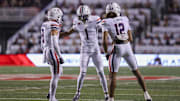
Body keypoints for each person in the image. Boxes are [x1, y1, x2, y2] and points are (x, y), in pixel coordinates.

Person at [102, 2, 152, 101]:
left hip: (117, 47)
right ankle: (147, 95)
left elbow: (104, 40)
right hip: (127, 47)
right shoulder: (125, 19)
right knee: (137, 72)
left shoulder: (106, 22)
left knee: (112, 75)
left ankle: (111, 99)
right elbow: (131, 38)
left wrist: (106, 53)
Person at [60, 5, 109, 101]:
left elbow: (104, 27)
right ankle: (77, 93)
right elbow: (69, 31)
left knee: (101, 72)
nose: (82, 18)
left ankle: (107, 94)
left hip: (95, 50)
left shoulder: (95, 19)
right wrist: (58, 35)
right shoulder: (76, 21)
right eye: (80, 16)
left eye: (84, 16)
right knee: (82, 72)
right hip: (85, 50)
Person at [41, 7, 64, 101]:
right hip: (52, 51)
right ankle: (52, 97)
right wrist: (60, 55)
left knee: (59, 71)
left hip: (46, 50)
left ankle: (50, 93)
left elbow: (42, 41)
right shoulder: (54, 24)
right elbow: (54, 42)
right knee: (55, 75)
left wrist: (44, 51)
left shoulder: (45, 24)